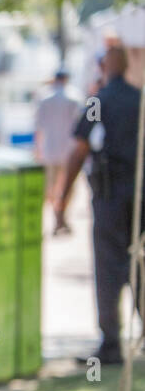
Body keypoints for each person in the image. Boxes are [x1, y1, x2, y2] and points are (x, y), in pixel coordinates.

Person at [55, 46, 143, 366]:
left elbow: (78, 150)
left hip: (111, 198)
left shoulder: (98, 101)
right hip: (139, 196)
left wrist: (61, 201)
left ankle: (111, 344)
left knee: (108, 269)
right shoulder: (140, 99)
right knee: (140, 266)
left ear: (105, 66)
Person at [34, 69, 80, 234]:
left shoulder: (45, 99)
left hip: (49, 150)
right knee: (67, 187)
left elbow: (38, 127)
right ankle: (60, 216)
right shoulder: (75, 97)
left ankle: (57, 216)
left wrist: (37, 149)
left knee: (52, 187)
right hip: (69, 151)